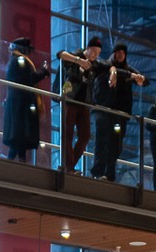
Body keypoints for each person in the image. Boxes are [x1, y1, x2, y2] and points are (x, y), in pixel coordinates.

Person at [87, 43, 145, 181]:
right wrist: (114, 71)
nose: (120, 55)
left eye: (123, 53)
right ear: (113, 53)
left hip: (120, 115)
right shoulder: (104, 66)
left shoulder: (128, 70)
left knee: (116, 146)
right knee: (102, 142)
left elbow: (144, 80)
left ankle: (109, 174)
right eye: (118, 52)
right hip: (103, 110)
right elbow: (99, 67)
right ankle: (98, 171)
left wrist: (136, 77)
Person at [55, 36, 103, 175]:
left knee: (85, 136)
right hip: (70, 100)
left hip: (84, 103)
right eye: (93, 52)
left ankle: (69, 166)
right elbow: (60, 54)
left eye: (98, 53)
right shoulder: (76, 56)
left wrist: (113, 72)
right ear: (87, 48)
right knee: (67, 133)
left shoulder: (95, 66)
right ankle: (69, 167)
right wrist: (79, 61)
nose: (95, 55)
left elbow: (107, 66)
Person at [0, 36, 50, 163]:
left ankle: (17, 159)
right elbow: (29, 78)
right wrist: (43, 72)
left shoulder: (15, 60)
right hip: (21, 103)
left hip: (20, 103)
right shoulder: (20, 60)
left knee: (20, 133)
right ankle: (14, 159)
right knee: (20, 132)